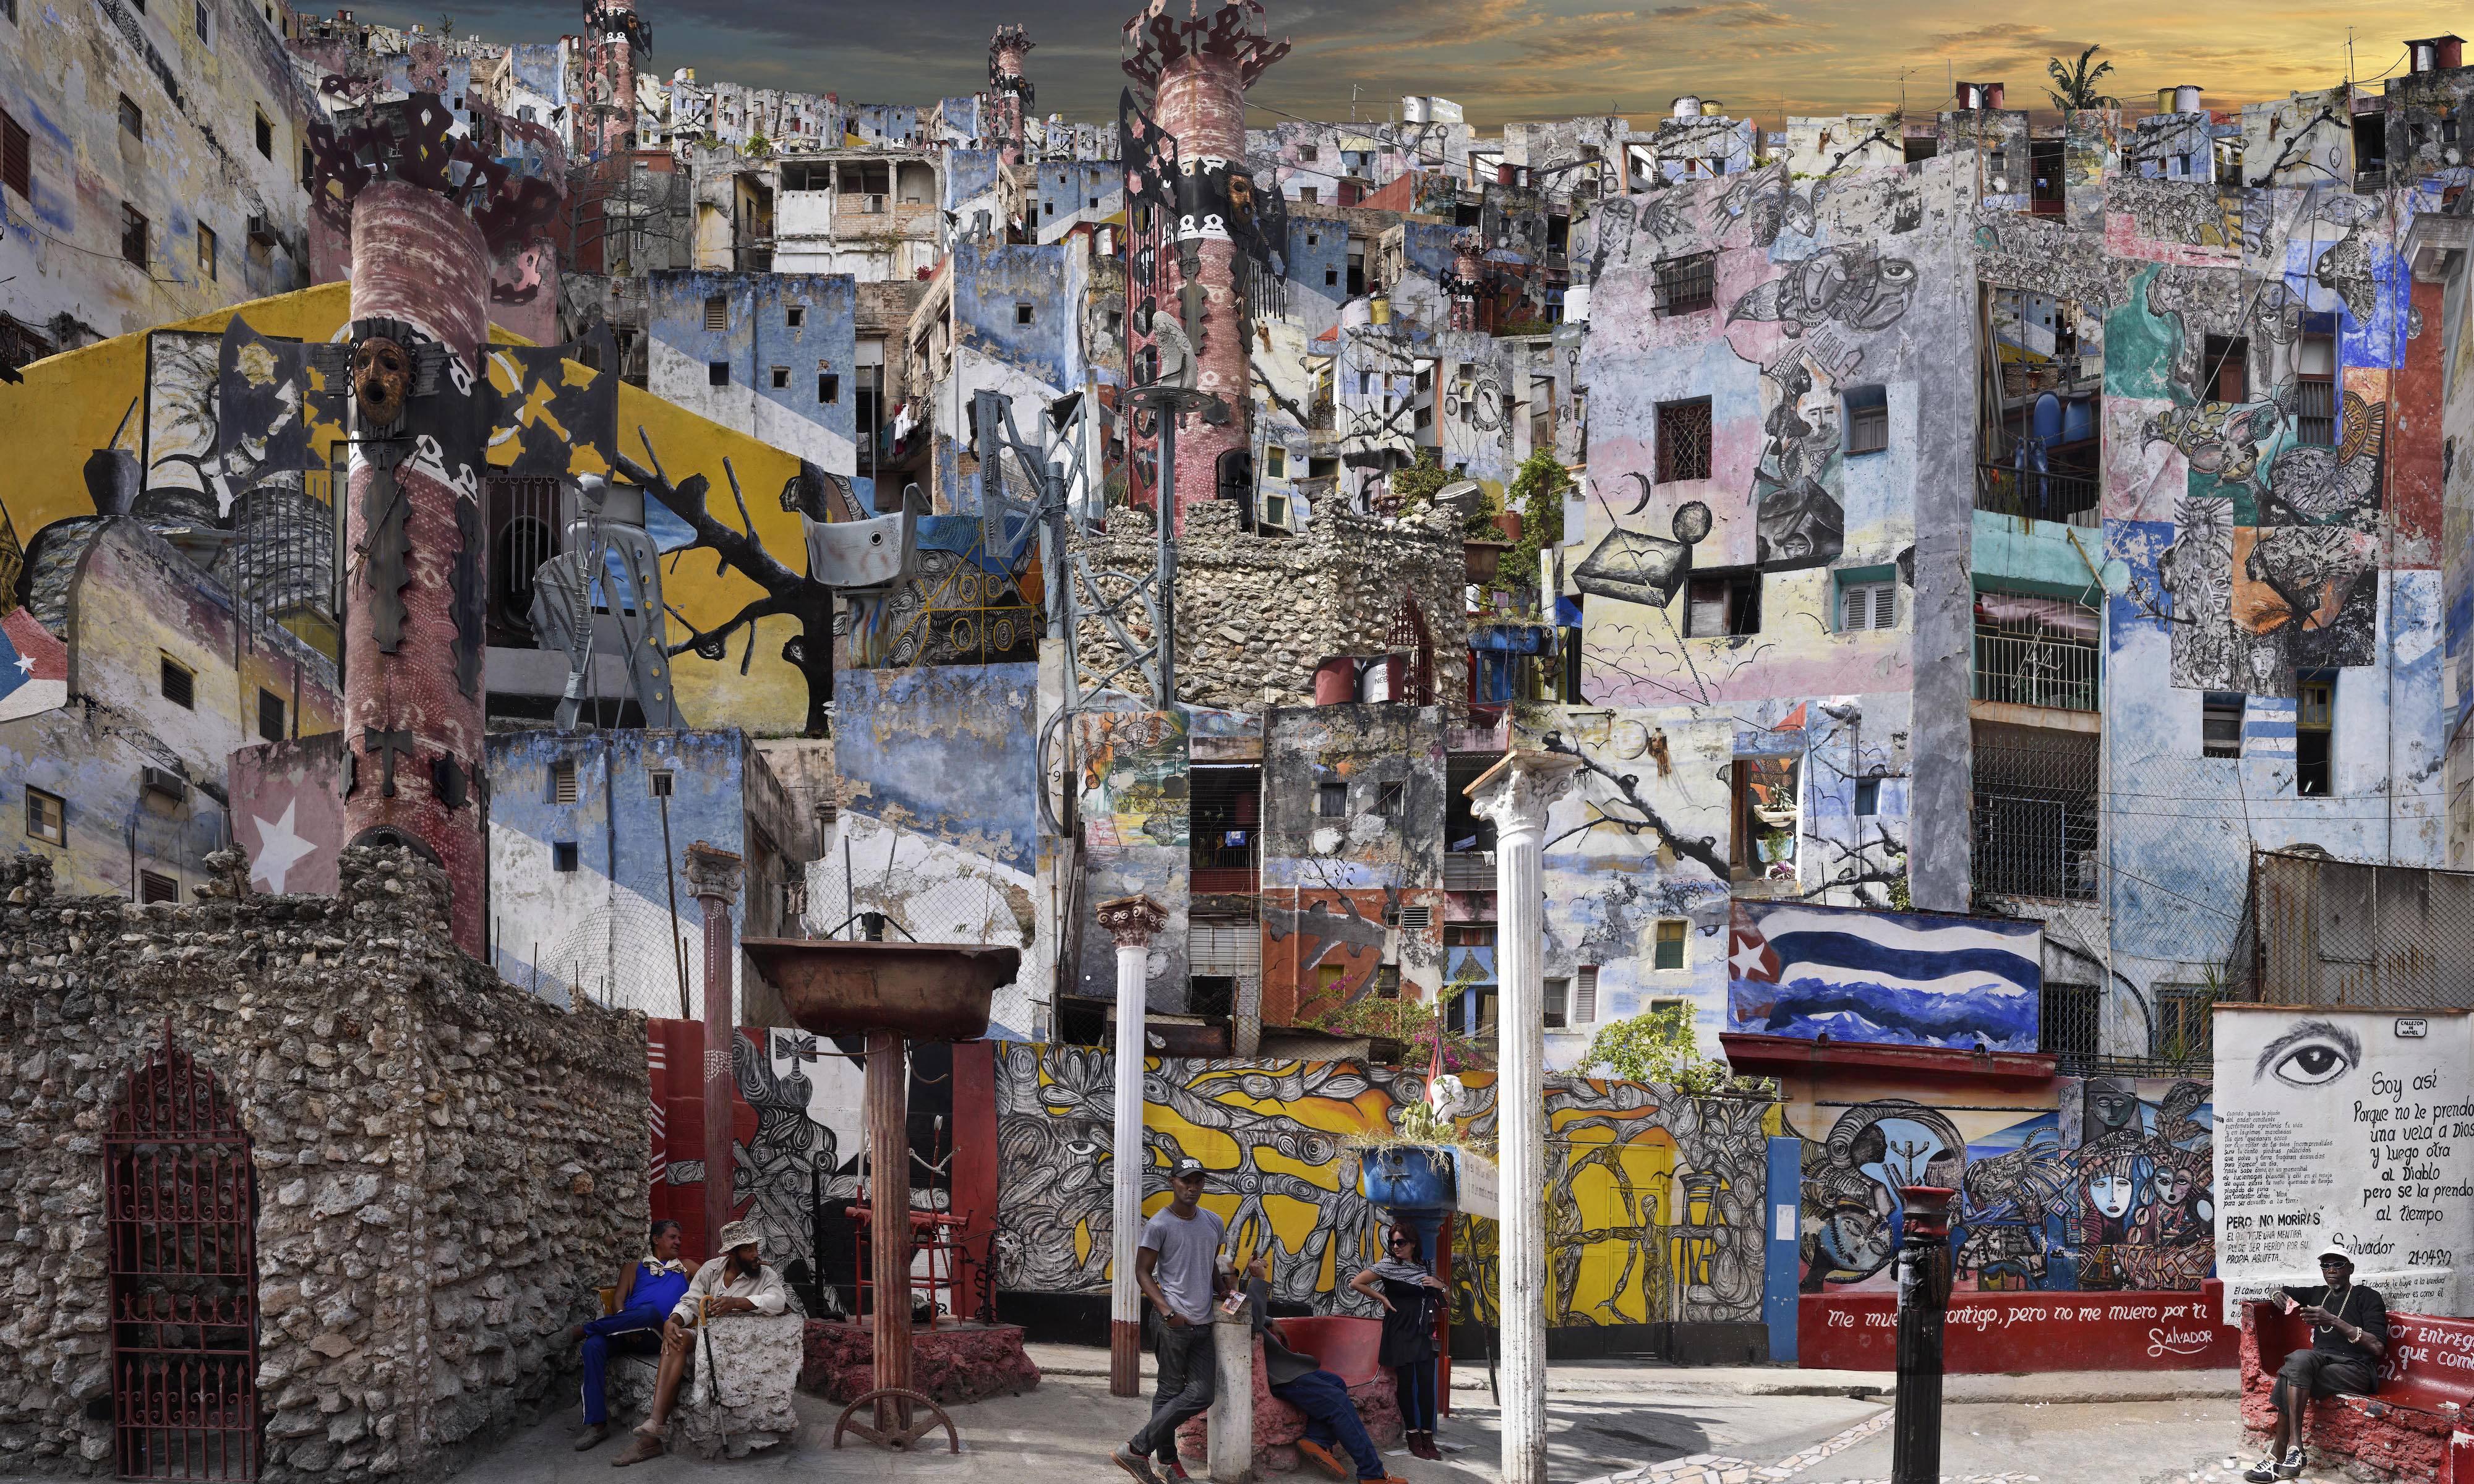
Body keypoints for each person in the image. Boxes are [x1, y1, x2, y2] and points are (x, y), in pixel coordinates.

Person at [611, 1219, 790, 1469]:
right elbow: (690, 1302)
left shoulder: (764, 1274)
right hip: (705, 1339)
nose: (755, 1254)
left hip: (737, 1349)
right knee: (676, 1339)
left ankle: (651, 1437)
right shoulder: (711, 1270)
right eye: (748, 1249)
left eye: (755, 1247)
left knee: (682, 1342)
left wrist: (736, 1302)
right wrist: (673, 1320)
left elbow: (777, 1301)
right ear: (732, 1253)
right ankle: (655, 1426)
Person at [1112, 1157, 1230, 1484]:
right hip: (1173, 1321)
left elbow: (1208, 1266)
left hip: (1204, 1322)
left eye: (1198, 1182)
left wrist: (1225, 1293)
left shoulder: (1213, 1222)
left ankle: (1136, 1449)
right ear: (1172, 1182)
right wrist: (1168, 1311)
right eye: (1186, 1181)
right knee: (1169, 1390)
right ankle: (1167, 1462)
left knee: (1203, 1393)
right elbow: (1142, 1272)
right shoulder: (1160, 1225)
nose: (1192, 1188)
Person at [1243, 1258, 1405, 1484]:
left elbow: (1251, 1316)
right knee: (1338, 1402)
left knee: (1336, 1383)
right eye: (1233, 1273)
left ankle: (1316, 1439)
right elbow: (1249, 1319)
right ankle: (1372, 1474)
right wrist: (1258, 1280)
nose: (1238, 1275)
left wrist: (1270, 1321)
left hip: (1287, 1367)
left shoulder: (1225, 1294)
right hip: (1281, 1375)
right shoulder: (1219, 1295)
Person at [2244, 1241, 2387, 1483]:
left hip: (2356, 1368)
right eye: (2326, 1265)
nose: (2331, 1269)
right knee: (2297, 1359)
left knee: (2290, 1372)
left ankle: (2280, 1451)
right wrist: (2277, 1295)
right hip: (2319, 1362)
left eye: (2338, 1264)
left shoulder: (2368, 1297)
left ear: (2350, 1269)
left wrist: (2333, 1320)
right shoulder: (2317, 1293)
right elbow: (2282, 1290)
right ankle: (2296, 1450)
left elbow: (2377, 1347)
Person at [571, 1220, 699, 1452]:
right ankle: (597, 1424)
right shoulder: (633, 1267)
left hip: (660, 1334)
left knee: (649, 1313)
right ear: (656, 1239)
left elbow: (716, 1275)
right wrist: (625, 1322)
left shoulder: (686, 1268)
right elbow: (619, 1300)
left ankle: (585, 1329)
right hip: (626, 1331)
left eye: (679, 1238)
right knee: (593, 1347)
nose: (678, 1242)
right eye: (672, 1237)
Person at [1348, 1226, 1448, 1462]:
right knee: (1406, 1383)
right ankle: (1412, 1434)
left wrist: (1439, 1284)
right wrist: (1383, 1298)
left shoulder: (1426, 1267)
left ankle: (1427, 1435)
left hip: (1423, 1331)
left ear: (1413, 1243)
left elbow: (1447, 1297)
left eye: (1401, 1242)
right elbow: (1356, 1283)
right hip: (1399, 1331)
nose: (1396, 1247)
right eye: (1393, 1243)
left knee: (1426, 1384)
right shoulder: (1388, 1265)